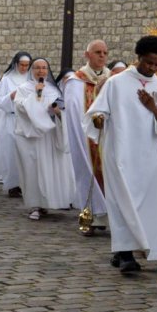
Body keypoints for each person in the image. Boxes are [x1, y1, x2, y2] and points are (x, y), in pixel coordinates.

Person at [85, 36, 157, 275]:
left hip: (150, 155)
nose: (151, 68)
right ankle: (125, 253)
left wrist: (154, 108)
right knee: (122, 200)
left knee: (149, 202)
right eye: (148, 62)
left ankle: (148, 249)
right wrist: (99, 119)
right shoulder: (117, 83)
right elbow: (96, 112)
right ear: (138, 58)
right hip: (121, 152)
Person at [13, 58, 75, 220]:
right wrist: (36, 94)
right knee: (33, 170)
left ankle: (48, 202)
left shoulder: (53, 91)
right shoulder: (24, 89)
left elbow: (63, 111)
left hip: (49, 136)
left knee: (49, 169)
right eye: (37, 68)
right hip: (31, 137)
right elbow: (21, 108)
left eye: (44, 68)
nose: (41, 71)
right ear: (31, 71)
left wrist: (59, 113)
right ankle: (35, 205)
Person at [65, 40, 110, 233]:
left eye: (105, 53)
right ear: (87, 55)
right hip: (86, 138)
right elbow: (74, 112)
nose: (102, 56)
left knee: (109, 175)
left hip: (107, 136)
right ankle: (90, 216)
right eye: (98, 52)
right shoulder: (76, 81)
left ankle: (107, 218)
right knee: (89, 173)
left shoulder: (112, 78)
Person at [0, 51, 33, 198]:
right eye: (21, 65)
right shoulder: (7, 80)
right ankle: (13, 185)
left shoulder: (31, 79)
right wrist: (10, 96)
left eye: (27, 65)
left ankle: (25, 184)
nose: (24, 68)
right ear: (16, 64)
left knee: (26, 153)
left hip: (27, 120)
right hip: (12, 119)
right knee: (12, 153)